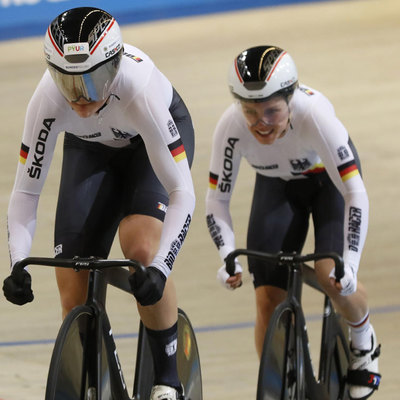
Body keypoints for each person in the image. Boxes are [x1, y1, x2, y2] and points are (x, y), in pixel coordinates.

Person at [3, 7, 195, 400]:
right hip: (89, 147)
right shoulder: (48, 98)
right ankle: (97, 384)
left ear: (115, 65)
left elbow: (182, 193)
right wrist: (18, 261)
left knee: (140, 246)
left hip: (147, 144)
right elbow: (25, 191)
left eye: (92, 81)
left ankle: (168, 381)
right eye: (67, 82)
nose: (79, 96)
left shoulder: (139, 89)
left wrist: (159, 267)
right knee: (72, 283)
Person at [205, 45, 381, 399]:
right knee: (267, 296)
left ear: (292, 97)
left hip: (328, 185)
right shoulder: (231, 126)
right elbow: (216, 199)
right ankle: (278, 382)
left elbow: (355, 194)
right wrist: (226, 254)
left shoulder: (314, 114)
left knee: (332, 275)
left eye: (272, 110)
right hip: (278, 186)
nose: (260, 122)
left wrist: (352, 264)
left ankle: (364, 339)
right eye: (250, 111)